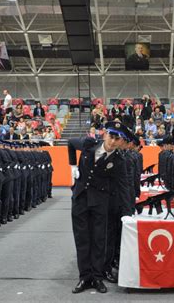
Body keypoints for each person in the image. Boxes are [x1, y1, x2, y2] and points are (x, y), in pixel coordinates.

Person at [68, 121, 132, 294]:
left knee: (98, 240)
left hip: (100, 202)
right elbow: (71, 143)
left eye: (117, 139)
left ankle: (97, 277)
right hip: (80, 198)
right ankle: (84, 277)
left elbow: (124, 186)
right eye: (111, 136)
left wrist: (127, 213)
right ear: (104, 134)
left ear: (121, 142)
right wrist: (72, 166)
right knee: (82, 239)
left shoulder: (119, 160)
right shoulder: (88, 144)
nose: (112, 141)